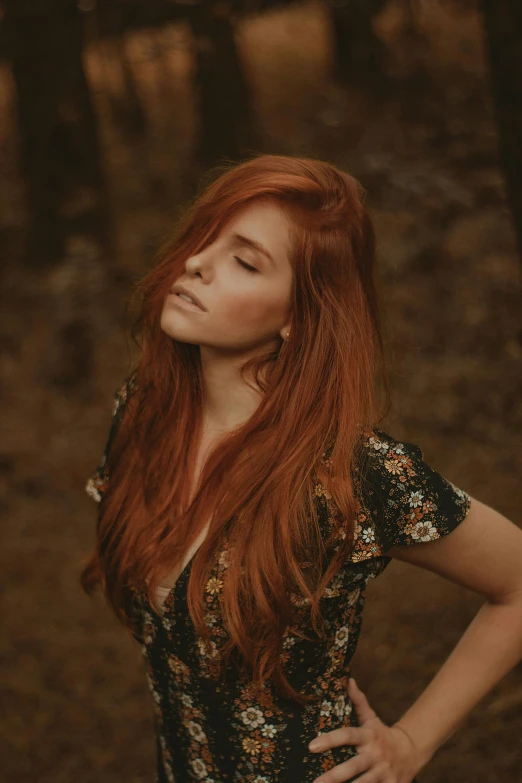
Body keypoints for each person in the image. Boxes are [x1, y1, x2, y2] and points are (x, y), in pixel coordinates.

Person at [81, 154, 522, 783]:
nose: (197, 262)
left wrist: (411, 743)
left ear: (297, 315)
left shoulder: (351, 474)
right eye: (206, 237)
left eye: (244, 260)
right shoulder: (144, 412)